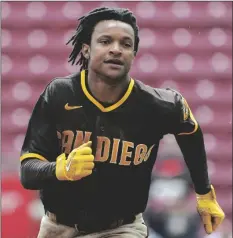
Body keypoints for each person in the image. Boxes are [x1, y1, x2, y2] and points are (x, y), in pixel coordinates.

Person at [20, 7, 225, 238]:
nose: (116, 50)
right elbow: (28, 172)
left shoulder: (159, 105)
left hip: (122, 228)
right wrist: (60, 169)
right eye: (106, 41)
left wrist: (204, 194)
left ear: (134, 54)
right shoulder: (59, 94)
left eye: (126, 44)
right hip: (58, 227)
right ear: (86, 49)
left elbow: (191, 133)